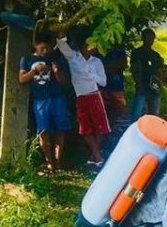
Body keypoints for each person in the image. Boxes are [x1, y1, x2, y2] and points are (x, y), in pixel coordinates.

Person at [56, 30, 110, 169]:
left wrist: (92, 76)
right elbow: (62, 45)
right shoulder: (74, 57)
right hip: (81, 96)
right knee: (85, 128)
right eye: (91, 45)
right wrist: (62, 33)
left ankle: (95, 157)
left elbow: (103, 82)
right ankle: (97, 156)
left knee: (100, 128)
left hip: (94, 95)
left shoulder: (97, 62)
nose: (94, 48)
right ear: (84, 46)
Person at [19, 30, 71, 173]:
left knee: (61, 130)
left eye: (47, 47)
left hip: (58, 98)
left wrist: (56, 71)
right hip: (40, 100)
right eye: (42, 48)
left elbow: (65, 82)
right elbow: (22, 79)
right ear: (35, 45)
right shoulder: (27, 59)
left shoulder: (54, 57)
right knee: (43, 132)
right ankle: (49, 163)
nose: (45, 51)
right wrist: (35, 71)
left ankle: (58, 162)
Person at [130, 28, 164, 118]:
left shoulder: (155, 55)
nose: (150, 40)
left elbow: (160, 70)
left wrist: (161, 82)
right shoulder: (137, 53)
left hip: (154, 88)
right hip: (142, 86)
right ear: (143, 38)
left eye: (151, 38)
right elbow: (134, 69)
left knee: (154, 115)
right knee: (137, 115)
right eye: (148, 38)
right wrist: (138, 82)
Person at [101, 44, 128, 120]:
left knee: (120, 111)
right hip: (102, 87)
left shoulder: (119, 50)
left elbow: (123, 64)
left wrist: (108, 68)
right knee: (104, 111)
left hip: (117, 85)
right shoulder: (99, 50)